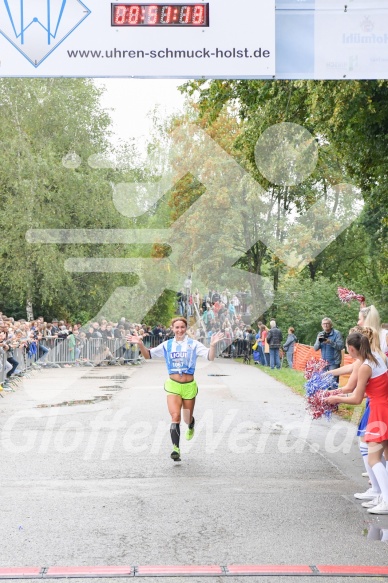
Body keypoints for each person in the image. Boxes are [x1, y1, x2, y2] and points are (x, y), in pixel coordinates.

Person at [126, 317, 224, 462]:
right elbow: (148, 355)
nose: (179, 330)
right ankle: (175, 449)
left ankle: (191, 425)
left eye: (182, 327)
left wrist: (213, 346)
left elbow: (210, 357)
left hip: (189, 386)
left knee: (186, 418)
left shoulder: (193, 344)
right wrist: (140, 344)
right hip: (173, 385)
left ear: (186, 329)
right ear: (172, 328)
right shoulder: (167, 345)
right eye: (176, 327)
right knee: (175, 417)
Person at [326, 332, 388, 514]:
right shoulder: (376, 357)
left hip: (379, 412)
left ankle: (386, 499)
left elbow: (357, 398)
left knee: (373, 458)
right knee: (384, 457)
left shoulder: (365, 367)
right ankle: (381, 496)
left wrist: (336, 398)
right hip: (384, 407)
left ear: (352, 349)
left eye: (348, 349)